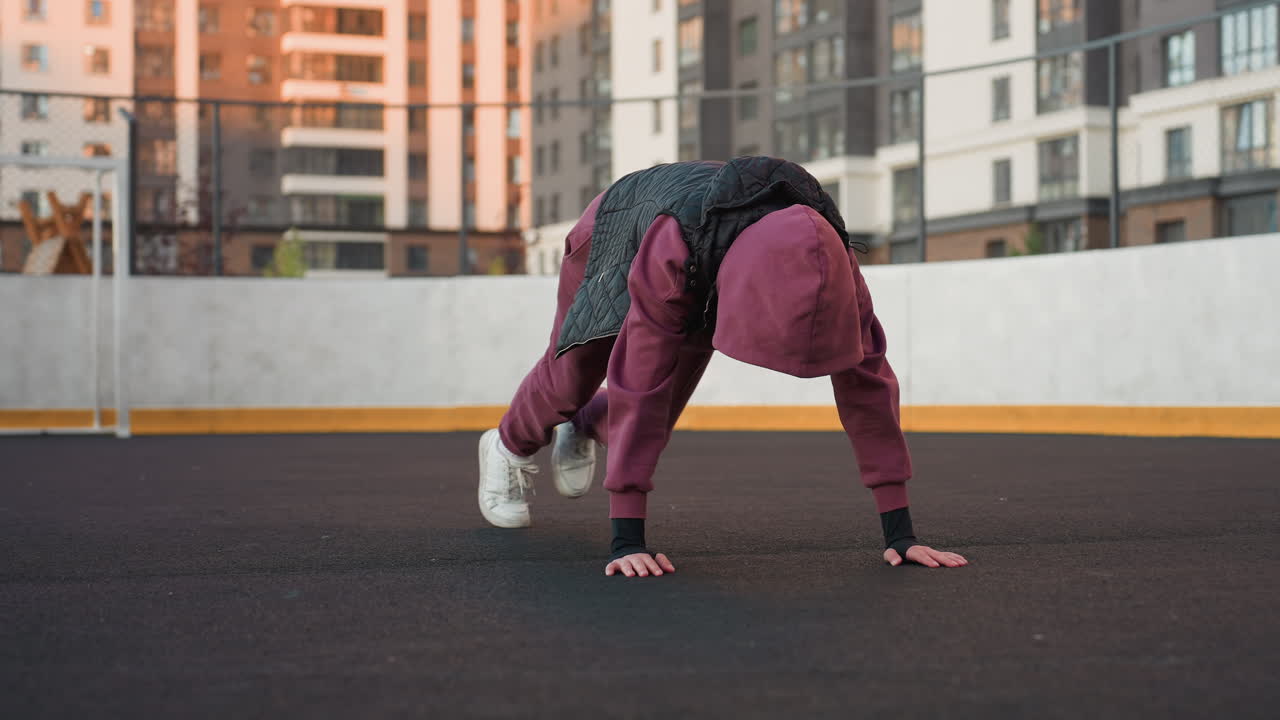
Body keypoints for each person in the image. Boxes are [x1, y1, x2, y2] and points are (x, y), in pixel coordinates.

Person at [477, 156, 968, 578]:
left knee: (660, 408)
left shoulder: (836, 265)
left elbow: (869, 390)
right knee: (575, 374)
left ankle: (585, 422)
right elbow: (639, 380)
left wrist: (900, 533)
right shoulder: (677, 252)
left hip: (710, 249)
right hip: (620, 227)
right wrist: (628, 540)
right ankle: (507, 445)